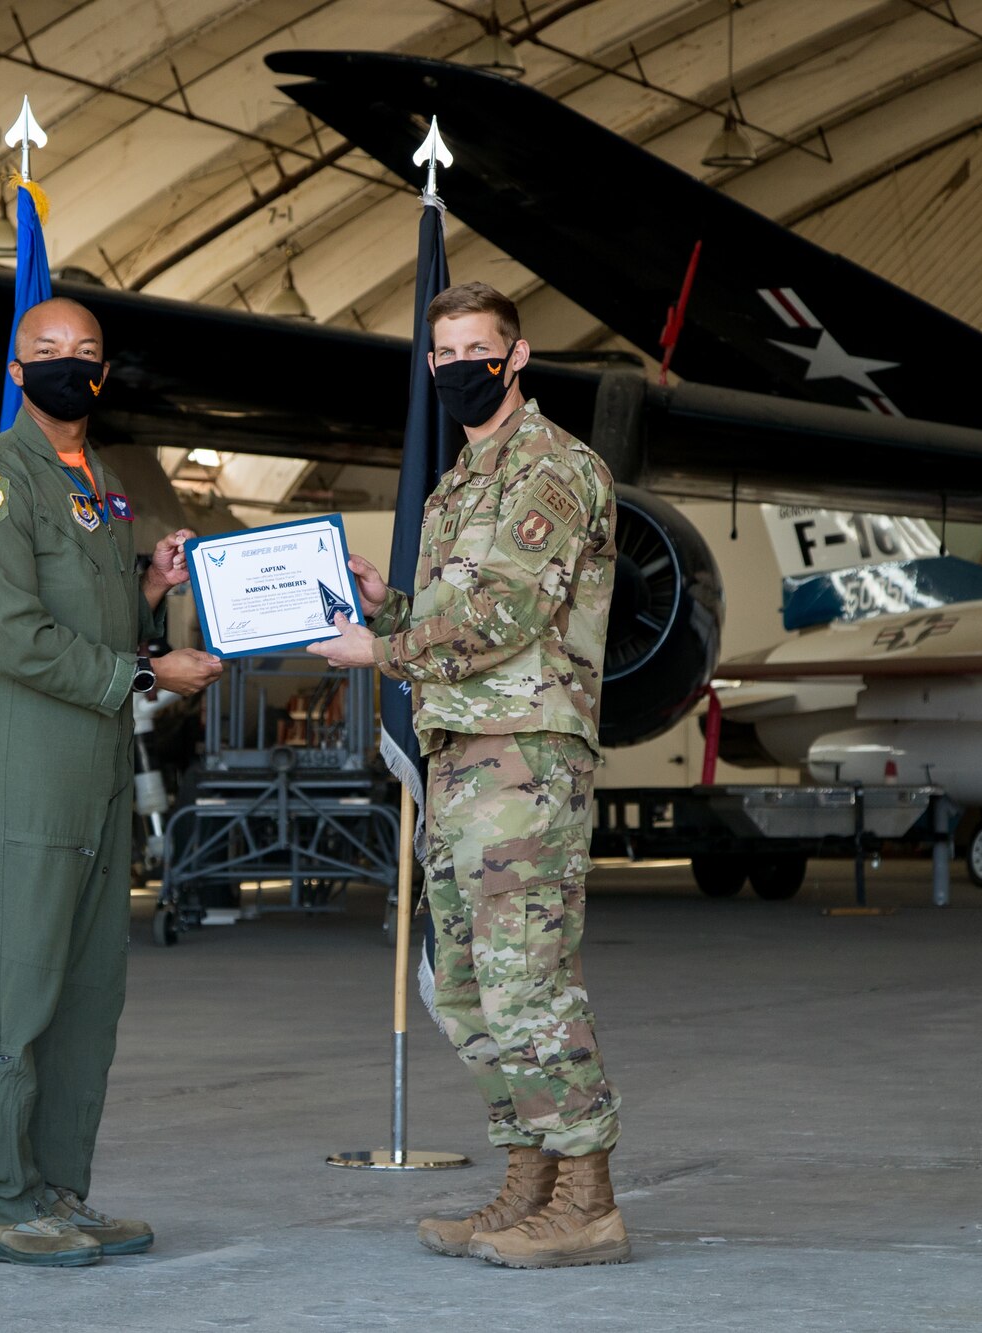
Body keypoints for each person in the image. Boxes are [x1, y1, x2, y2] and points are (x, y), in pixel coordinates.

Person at [310, 281, 624, 1269]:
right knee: (465, 989)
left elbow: (504, 621)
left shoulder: (551, 467)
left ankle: (586, 1198)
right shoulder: (459, 481)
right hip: (459, 757)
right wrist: (389, 604)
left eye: (474, 349)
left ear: (516, 356)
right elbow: (457, 612)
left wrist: (379, 650)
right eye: (440, 353)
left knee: (525, 981)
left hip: (524, 755)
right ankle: (529, 1181)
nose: (456, 368)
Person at [0, 296, 222, 1267]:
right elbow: (13, 637)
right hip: (25, 750)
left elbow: (96, 616)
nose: (69, 365)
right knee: (16, 983)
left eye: (86, 353)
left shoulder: (95, 482)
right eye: (47, 350)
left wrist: (150, 590)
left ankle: (56, 1187)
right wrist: (147, 674)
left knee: (88, 987)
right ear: (17, 373)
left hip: (94, 749)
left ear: (104, 374)